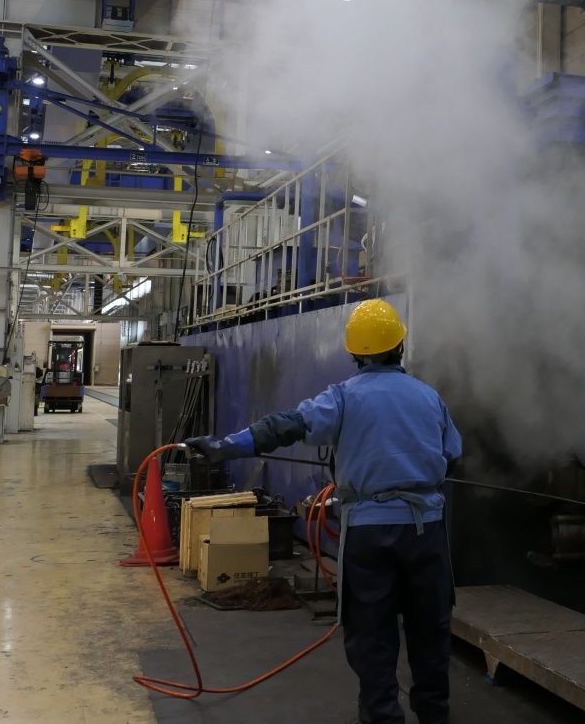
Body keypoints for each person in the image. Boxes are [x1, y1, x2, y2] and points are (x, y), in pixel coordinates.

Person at [186, 299, 462, 724]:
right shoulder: (430, 398)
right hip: (426, 533)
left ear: (355, 353)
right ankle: (434, 714)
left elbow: (286, 426)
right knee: (430, 629)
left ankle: (383, 716)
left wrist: (226, 446)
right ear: (399, 346)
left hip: (369, 535)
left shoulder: (343, 398)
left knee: (371, 634)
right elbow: (452, 455)